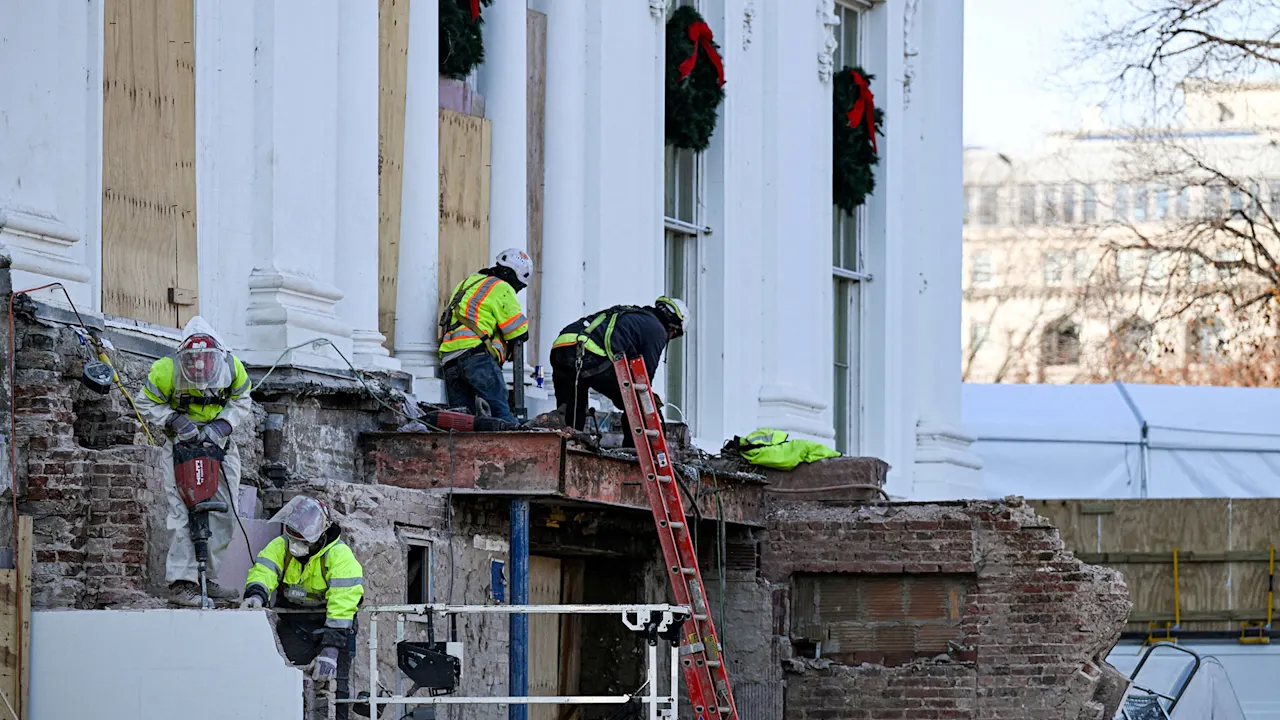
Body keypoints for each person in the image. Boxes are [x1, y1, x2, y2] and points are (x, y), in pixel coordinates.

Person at [136, 316, 252, 607]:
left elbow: (242, 399)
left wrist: (223, 425)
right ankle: (181, 582)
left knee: (224, 511)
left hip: (220, 444)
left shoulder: (231, 367)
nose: (199, 374)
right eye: (193, 368)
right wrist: (174, 420)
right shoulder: (165, 370)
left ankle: (206, 577)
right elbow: (145, 401)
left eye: (205, 368)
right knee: (182, 511)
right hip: (180, 446)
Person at [241, 495, 364, 719]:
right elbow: (264, 569)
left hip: (334, 629)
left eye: (303, 541)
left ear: (319, 535)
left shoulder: (340, 557)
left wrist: (330, 651)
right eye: (293, 539)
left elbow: (343, 605)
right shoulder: (281, 546)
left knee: (338, 694)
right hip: (295, 627)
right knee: (287, 685)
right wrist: (256, 594)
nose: (296, 546)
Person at [549, 296, 688, 445]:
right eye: (674, 335)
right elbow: (643, 379)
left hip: (562, 348)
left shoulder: (635, 317)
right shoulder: (657, 330)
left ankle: (568, 449)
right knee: (640, 402)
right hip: (589, 355)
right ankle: (633, 452)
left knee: (572, 411)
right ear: (673, 326)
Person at [437, 248, 532, 425]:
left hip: (449, 359)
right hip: (475, 358)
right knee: (501, 414)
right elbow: (518, 331)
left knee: (464, 422)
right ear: (512, 275)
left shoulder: (469, 282)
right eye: (517, 286)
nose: (515, 290)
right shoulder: (501, 287)